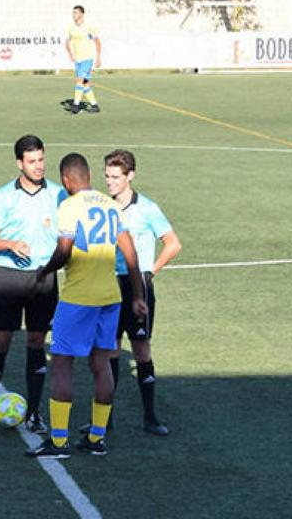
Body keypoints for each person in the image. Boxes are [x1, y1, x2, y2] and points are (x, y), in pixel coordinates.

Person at [26, 153, 147, 459]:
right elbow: (130, 253)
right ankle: (96, 437)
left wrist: (45, 270)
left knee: (63, 365)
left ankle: (59, 440)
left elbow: (64, 249)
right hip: (110, 297)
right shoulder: (110, 205)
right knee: (101, 364)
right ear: (89, 175)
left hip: (78, 298)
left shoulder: (69, 206)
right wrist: (137, 295)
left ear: (67, 180)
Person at [0, 135, 65, 435]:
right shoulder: (3, 195)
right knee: (2, 340)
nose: (39, 166)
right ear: (19, 163)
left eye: (41, 159)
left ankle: (35, 413)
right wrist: (10, 244)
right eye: (32, 161)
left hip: (44, 277)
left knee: (36, 341)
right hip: (10, 276)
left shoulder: (58, 193)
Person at [103, 149, 181, 436]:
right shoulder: (103, 207)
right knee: (109, 348)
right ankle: (105, 419)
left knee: (140, 348)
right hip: (109, 285)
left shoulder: (147, 208)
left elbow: (172, 244)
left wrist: (149, 272)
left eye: (115, 177)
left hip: (137, 286)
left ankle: (150, 417)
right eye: (107, 176)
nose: (109, 182)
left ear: (130, 176)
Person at [61, 5, 101, 115]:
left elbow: (97, 41)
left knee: (79, 80)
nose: (74, 15)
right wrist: (70, 54)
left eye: (76, 13)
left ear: (82, 14)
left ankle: (76, 105)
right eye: (73, 13)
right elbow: (67, 42)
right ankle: (94, 105)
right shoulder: (71, 28)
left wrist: (98, 57)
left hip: (87, 59)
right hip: (78, 59)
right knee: (85, 83)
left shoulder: (88, 27)